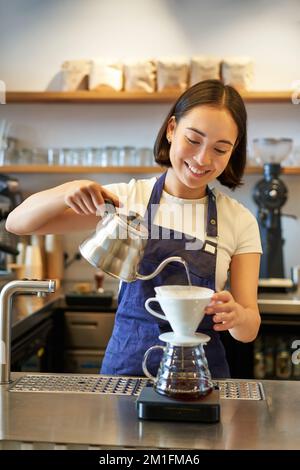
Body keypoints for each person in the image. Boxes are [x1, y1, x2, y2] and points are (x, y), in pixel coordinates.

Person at [6, 80, 262, 378]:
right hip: (125, 376)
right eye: (193, 140)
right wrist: (69, 188)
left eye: (220, 149)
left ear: (233, 151)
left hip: (200, 379)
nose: (203, 159)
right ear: (171, 130)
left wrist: (237, 316)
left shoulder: (239, 220)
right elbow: (18, 223)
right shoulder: (127, 200)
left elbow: (249, 329)